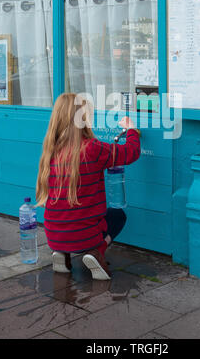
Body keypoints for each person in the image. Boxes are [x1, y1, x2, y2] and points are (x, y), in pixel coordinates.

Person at [35, 93, 141, 280]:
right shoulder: (92, 148)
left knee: (69, 216)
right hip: (85, 236)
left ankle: (62, 253)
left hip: (54, 234)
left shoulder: (50, 152)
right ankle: (96, 252)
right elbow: (131, 152)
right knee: (118, 216)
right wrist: (131, 130)